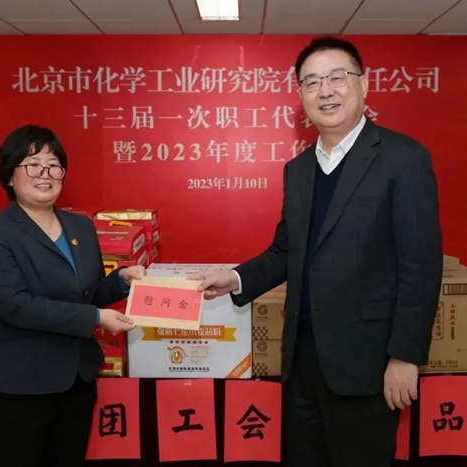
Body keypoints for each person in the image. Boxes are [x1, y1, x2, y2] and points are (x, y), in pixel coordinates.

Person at [190, 37, 443, 466]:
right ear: (302, 95)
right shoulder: (299, 169)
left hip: (367, 361)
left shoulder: (404, 159)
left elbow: (421, 267)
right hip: (302, 363)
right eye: (311, 82)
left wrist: (404, 356)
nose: (325, 91)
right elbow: (286, 250)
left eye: (336, 78)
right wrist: (234, 278)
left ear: (364, 85)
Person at [0, 124, 142, 467]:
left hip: (76, 381)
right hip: (20, 388)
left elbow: (87, 293)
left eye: (53, 165)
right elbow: (15, 305)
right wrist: (95, 318)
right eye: (32, 164)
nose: (45, 174)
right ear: (9, 175)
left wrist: (121, 280)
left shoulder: (80, 227)